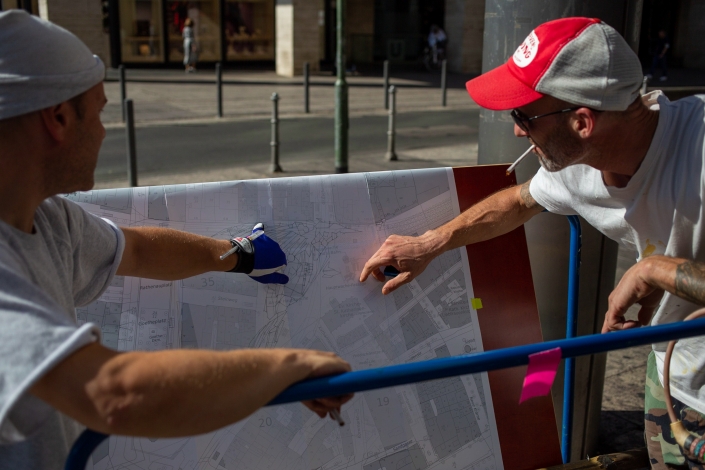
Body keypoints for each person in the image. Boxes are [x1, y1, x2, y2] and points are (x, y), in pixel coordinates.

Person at [0, 10, 351, 470]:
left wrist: (239, 255)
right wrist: (287, 366)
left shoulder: (48, 220)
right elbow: (116, 394)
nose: (104, 131)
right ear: (59, 118)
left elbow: (139, 250)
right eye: (100, 112)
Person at [361, 16, 705, 469]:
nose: (517, 131)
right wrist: (432, 243)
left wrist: (656, 270)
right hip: (674, 372)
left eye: (524, 116)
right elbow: (519, 201)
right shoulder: (581, 163)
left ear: (582, 122)